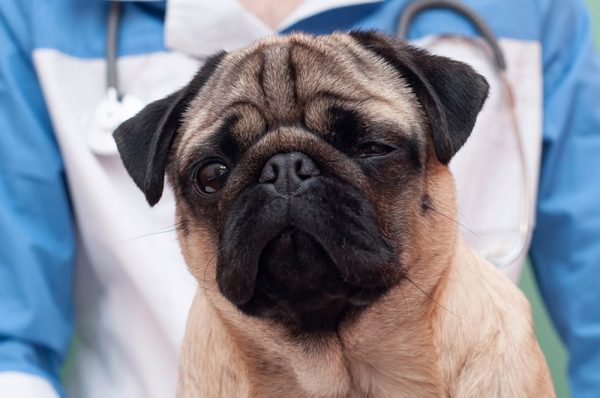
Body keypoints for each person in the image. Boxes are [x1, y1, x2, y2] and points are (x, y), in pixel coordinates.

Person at [0, 0, 599, 397]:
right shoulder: (39, 14)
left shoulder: (533, 8)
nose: (288, 181)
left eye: (369, 147)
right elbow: (10, 347)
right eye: (215, 176)